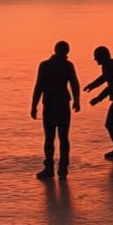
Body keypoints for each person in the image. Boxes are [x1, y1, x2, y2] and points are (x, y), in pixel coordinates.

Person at [30, 40, 81, 179]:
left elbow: (39, 86)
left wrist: (34, 105)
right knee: (63, 137)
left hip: (50, 104)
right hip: (63, 104)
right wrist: (76, 100)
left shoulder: (45, 65)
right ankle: (63, 168)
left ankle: (49, 168)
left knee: (49, 138)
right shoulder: (68, 65)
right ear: (67, 52)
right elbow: (74, 84)